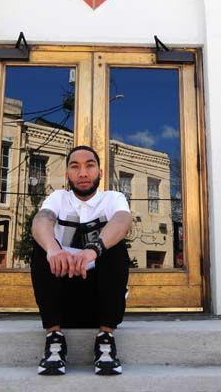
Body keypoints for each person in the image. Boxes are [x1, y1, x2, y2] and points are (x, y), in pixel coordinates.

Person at [30, 145, 132, 376]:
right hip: (62, 303)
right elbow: (41, 221)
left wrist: (93, 250)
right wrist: (53, 249)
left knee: (115, 248)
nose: (83, 173)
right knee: (42, 246)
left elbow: (123, 221)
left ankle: (105, 340)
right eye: (75, 167)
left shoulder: (112, 198)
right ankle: (54, 340)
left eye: (90, 166)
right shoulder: (58, 198)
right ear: (67, 174)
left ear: (100, 172)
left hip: (101, 303)